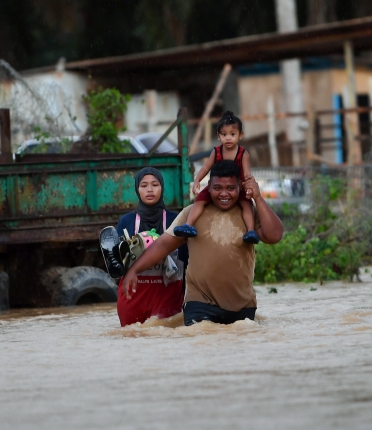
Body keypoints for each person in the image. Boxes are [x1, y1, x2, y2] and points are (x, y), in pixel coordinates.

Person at [123, 159, 284, 326]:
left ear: (240, 188)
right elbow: (164, 245)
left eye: (230, 188)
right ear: (208, 187)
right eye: (217, 188)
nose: (224, 194)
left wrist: (257, 197)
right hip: (199, 303)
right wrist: (134, 269)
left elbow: (274, 236)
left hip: (243, 305)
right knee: (200, 341)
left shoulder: (248, 213)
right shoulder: (191, 214)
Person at [113, 167, 187, 326]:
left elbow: (187, 262)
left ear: (162, 187)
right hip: (133, 299)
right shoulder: (126, 222)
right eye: (144, 185)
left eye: (155, 184)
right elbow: (118, 263)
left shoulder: (177, 220)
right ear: (137, 189)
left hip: (168, 298)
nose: (150, 190)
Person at [175, 111, 259, 244]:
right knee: (199, 201)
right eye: (224, 134)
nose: (228, 138)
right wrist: (197, 181)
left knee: (247, 205)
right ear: (218, 136)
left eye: (232, 134)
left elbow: (247, 174)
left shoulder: (243, 154)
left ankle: (250, 231)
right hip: (216, 186)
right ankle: (188, 225)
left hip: (238, 186)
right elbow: (205, 168)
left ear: (240, 135)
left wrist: (248, 188)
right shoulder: (217, 151)